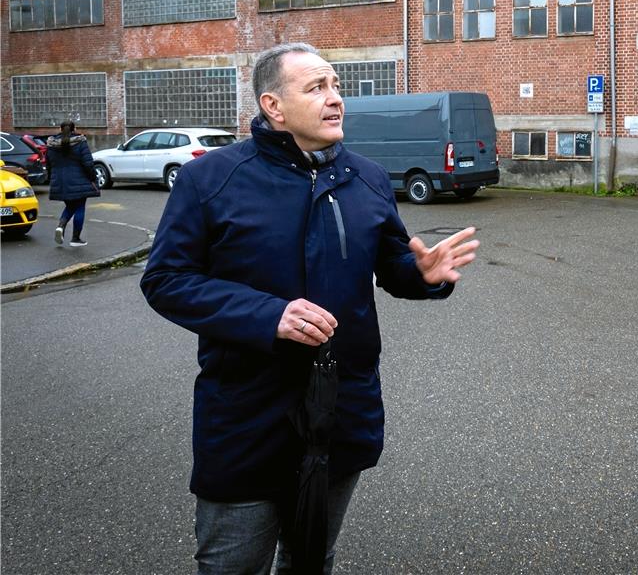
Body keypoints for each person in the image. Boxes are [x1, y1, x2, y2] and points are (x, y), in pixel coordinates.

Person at [140, 42, 479, 574]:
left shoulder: (366, 178)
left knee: (311, 557)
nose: (336, 98)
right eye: (317, 87)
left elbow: (392, 264)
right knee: (232, 565)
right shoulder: (212, 180)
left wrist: (421, 274)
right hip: (248, 414)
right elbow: (165, 279)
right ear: (273, 106)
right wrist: (265, 315)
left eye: (336, 85)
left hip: (341, 410)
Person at [45, 120, 100, 247]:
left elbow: (48, 164)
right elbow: (88, 163)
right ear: (74, 129)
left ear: (60, 129)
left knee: (70, 206)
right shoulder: (80, 142)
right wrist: (92, 178)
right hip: (79, 181)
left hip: (59, 182)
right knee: (79, 207)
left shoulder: (51, 145)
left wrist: (51, 179)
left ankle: (61, 226)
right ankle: (75, 238)